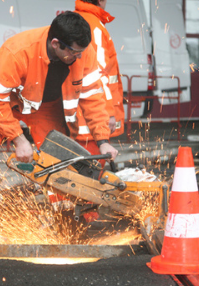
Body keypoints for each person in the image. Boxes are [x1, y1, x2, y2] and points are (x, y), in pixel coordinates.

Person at [0, 11, 118, 227]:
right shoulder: (16, 52)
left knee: (59, 158)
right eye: (74, 53)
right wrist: (19, 139)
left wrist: (103, 139)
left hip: (44, 107)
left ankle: (67, 219)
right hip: (3, 105)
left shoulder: (83, 52)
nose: (78, 57)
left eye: (81, 52)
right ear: (56, 43)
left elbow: (92, 99)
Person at [74, 0, 125, 165]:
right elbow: (99, 73)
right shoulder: (94, 26)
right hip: (92, 118)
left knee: (71, 174)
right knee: (89, 175)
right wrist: (108, 112)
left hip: (81, 115)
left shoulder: (79, 20)